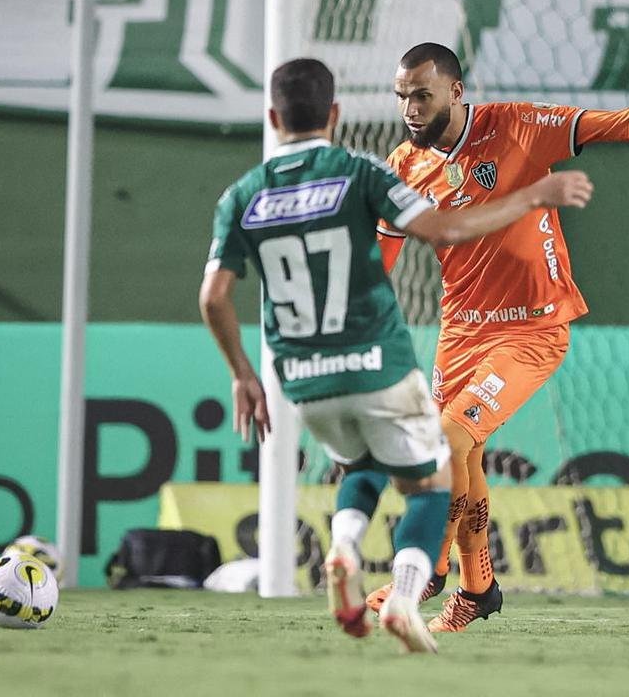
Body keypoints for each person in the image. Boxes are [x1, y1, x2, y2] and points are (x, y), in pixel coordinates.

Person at [367, 42, 629, 632]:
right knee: (466, 455)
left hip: (533, 329)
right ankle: (479, 587)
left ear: (456, 92)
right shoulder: (404, 167)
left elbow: (619, 123)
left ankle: (426, 574)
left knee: (446, 442)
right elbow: (378, 261)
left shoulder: (514, 127)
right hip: (460, 331)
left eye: (422, 94)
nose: (410, 108)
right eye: (403, 96)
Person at [199, 57, 594, 654]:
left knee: (363, 466)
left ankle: (369, 554)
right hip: (376, 362)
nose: (410, 109)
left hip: (304, 378)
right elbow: (445, 230)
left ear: (272, 116)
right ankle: (415, 586)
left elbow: (213, 297)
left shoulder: (241, 194)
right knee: (436, 472)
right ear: (334, 114)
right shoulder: (362, 171)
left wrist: (242, 375)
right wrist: (534, 194)